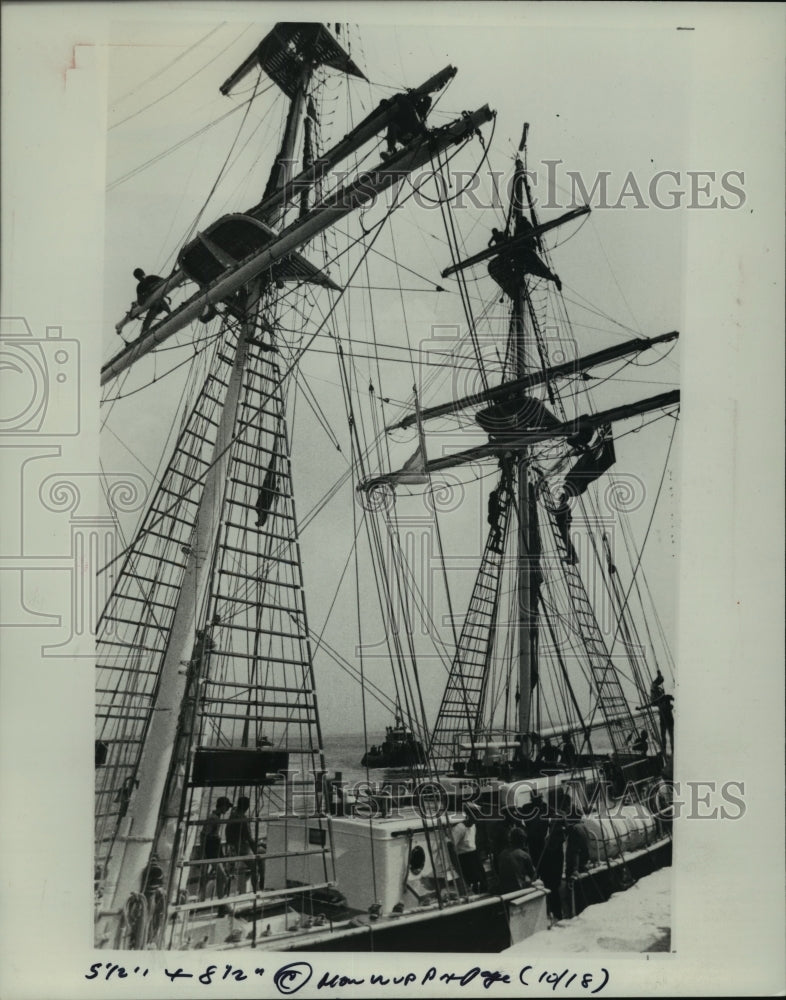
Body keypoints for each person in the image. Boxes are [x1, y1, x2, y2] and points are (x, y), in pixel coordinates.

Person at [225, 796, 263, 893]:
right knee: (256, 868)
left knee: (229, 872)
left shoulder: (232, 813)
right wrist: (256, 848)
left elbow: (234, 808)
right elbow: (249, 838)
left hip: (231, 846)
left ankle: (225, 892)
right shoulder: (243, 819)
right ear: (247, 807)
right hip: (241, 848)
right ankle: (256, 891)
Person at [381, 92, 432, 159]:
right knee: (393, 125)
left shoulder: (411, 109)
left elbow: (427, 101)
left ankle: (390, 150)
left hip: (418, 134)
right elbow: (427, 101)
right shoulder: (396, 114)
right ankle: (390, 150)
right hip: (410, 135)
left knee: (393, 125)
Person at [200, 796, 232, 903]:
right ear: (222, 806)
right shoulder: (213, 818)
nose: (227, 810)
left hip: (216, 848)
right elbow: (204, 834)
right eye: (227, 807)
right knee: (222, 876)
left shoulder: (216, 817)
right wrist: (203, 853)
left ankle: (220, 902)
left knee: (220, 877)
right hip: (211, 850)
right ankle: (221, 902)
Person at [452, 809, 486, 893]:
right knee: (472, 879)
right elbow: (451, 846)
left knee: (482, 877)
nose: (475, 821)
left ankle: (483, 892)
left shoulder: (473, 826)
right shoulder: (459, 828)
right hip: (464, 858)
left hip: (474, 855)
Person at [497, 826, 537, 893]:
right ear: (523, 840)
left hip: (503, 889)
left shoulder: (502, 853)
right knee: (539, 883)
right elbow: (534, 877)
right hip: (518, 889)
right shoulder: (524, 855)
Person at [132, 268, 172, 335]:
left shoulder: (151, 278)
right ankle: (143, 334)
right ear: (137, 279)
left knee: (159, 300)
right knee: (147, 322)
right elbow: (140, 302)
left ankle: (170, 314)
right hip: (153, 306)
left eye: (141, 276)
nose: (141, 278)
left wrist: (154, 287)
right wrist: (145, 295)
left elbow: (164, 282)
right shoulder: (139, 287)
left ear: (144, 273)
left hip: (161, 301)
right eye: (139, 278)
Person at [649, 670, 674, 753]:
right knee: (667, 735)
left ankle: (669, 751)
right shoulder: (661, 694)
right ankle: (666, 751)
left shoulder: (662, 695)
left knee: (668, 735)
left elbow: (653, 703)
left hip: (666, 717)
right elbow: (653, 703)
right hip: (665, 717)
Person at [487, 486, 504, 553]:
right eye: (496, 497)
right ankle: (494, 547)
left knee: (498, 533)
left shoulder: (494, 502)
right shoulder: (492, 502)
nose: (497, 497)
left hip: (493, 519)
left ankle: (493, 546)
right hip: (492, 519)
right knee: (499, 533)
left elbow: (503, 509)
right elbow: (500, 509)